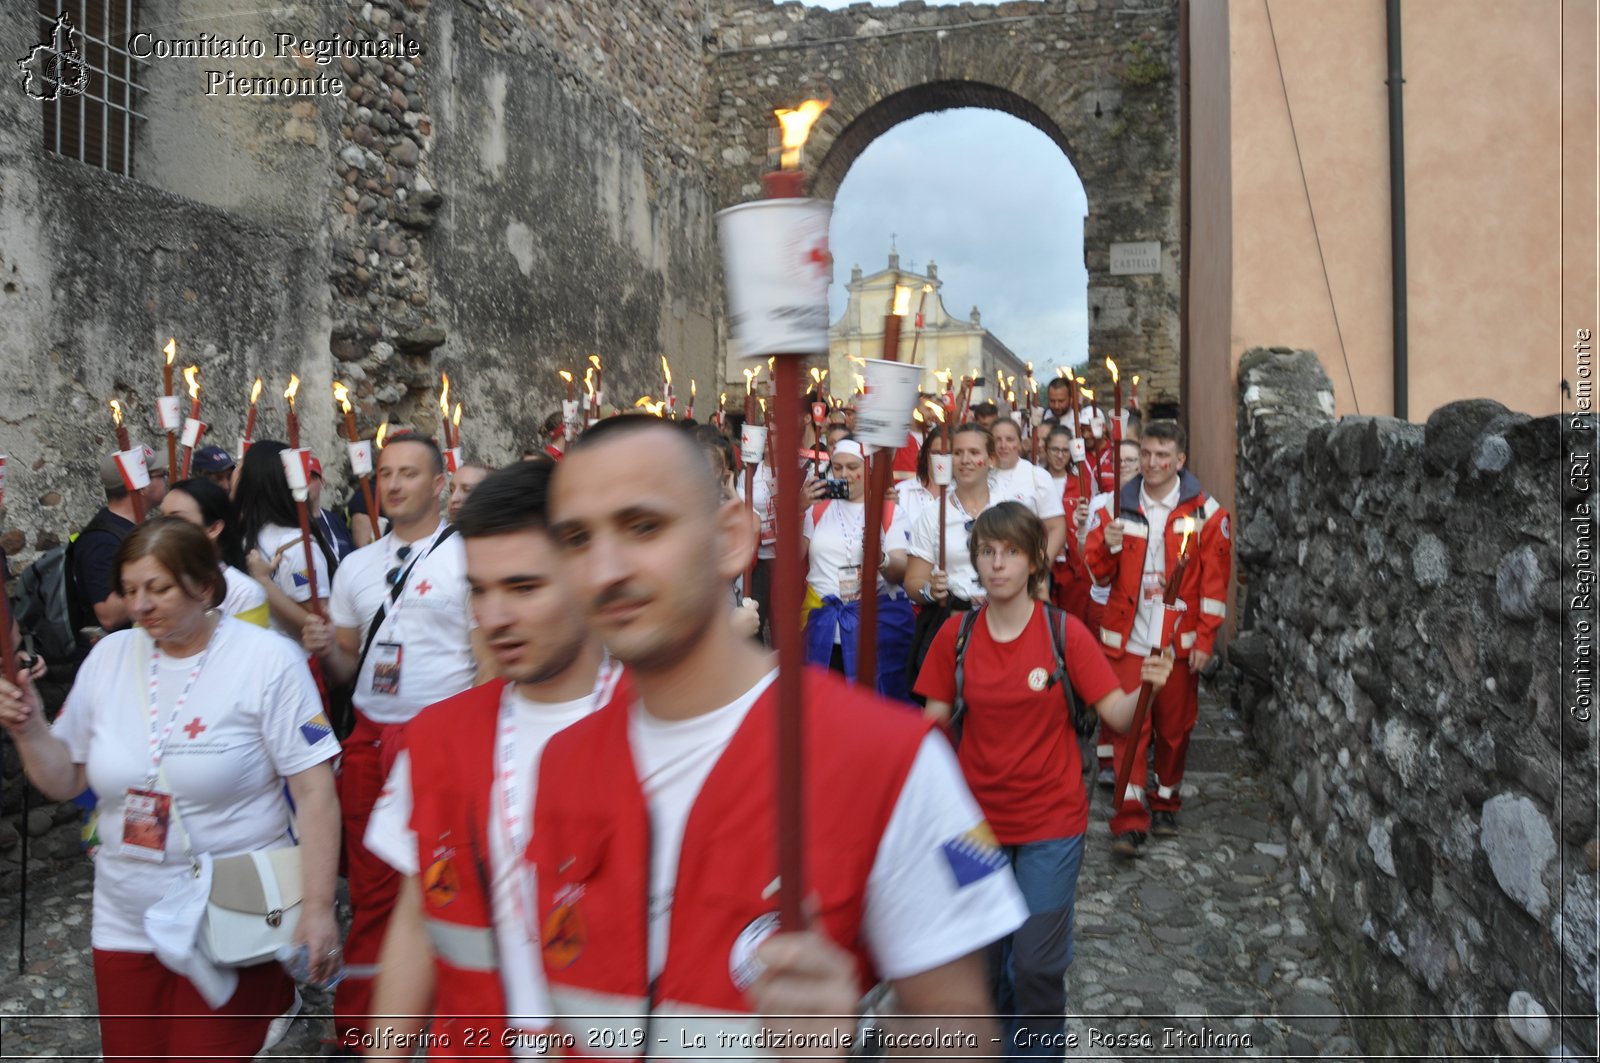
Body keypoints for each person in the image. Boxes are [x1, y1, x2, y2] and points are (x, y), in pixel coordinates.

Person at [532, 416, 1027, 1051]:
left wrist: (860, 1042)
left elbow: (960, 1031)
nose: (606, 568)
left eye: (644, 526)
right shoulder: (562, 763)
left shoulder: (893, 760)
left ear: (732, 537)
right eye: (576, 539)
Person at [0, 518, 340, 1061]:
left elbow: (316, 790)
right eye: (130, 590)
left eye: (157, 589)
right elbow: (66, 780)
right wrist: (29, 728)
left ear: (204, 586)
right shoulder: (109, 659)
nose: (140, 605)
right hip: (126, 913)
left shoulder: (266, 661)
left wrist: (318, 906)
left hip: (235, 909)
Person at [366, 461, 617, 1056]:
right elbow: (412, 917)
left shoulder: (659, 726)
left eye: (524, 587)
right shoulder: (438, 736)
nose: (494, 617)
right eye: (479, 589)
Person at [914, 503, 1173, 1060]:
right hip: (972, 829)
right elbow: (930, 727)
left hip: (1050, 823)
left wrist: (1149, 685)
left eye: (1010, 552)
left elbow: (1119, 716)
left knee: (1034, 963)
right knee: (983, 966)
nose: (997, 564)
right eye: (987, 552)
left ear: (1035, 561)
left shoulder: (1065, 634)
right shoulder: (955, 636)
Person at [299, 432, 478, 1046]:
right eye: (384, 474)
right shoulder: (356, 566)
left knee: (445, 886)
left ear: (437, 485)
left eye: (408, 473)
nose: (394, 484)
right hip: (372, 741)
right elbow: (350, 672)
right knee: (373, 889)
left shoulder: (469, 559)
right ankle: (362, 1027)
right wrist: (328, 654)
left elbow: (486, 666)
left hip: (443, 741)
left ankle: (448, 1017)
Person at [1083, 421, 1232, 853]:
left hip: (1176, 644)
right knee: (1131, 729)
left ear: (1180, 461)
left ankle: (1165, 799)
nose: (1151, 463)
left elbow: (1213, 586)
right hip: (1128, 639)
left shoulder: (1208, 514)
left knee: (1174, 730)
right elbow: (1094, 571)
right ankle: (1129, 819)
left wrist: (1205, 640)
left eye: (1162, 455)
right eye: (1146, 454)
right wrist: (1103, 546)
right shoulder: (1117, 508)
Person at [800, 438, 914, 699]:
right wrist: (798, 509)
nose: (844, 474)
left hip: (873, 631)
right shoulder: (817, 509)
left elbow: (900, 570)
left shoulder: (889, 512)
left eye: (853, 467)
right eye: (838, 468)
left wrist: (880, 558)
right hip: (822, 627)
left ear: (868, 469)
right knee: (822, 705)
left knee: (871, 705)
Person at [903, 424, 999, 692]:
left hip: (1003, 627)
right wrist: (930, 590)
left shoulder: (1010, 508)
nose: (965, 460)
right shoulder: (933, 515)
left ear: (991, 458)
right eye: (957, 452)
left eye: (973, 452)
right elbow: (913, 582)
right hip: (952, 627)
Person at [233, 441, 338, 639]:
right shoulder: (246, 533)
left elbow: (317, 622)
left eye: (242, 468)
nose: (235, 473)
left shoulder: (296, 547)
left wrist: (265, 583)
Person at [1083, 438, 1143, 786]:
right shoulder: (1101, 505)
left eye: (1132, 460)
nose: (1126, 466)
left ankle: (1130, 746)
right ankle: (1107, 755)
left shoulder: (1149, 505)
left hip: (1136, 607)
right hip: (1104, 604)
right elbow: (1088, 559)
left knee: (1132, 680)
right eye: (1120, 461)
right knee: (1107, 679)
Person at [74, 444, 168, 635]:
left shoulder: (132, 528)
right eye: (161, 475)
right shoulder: (100, 541)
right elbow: (109, 615)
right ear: (142, 486)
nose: (166, 480)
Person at [163, 478, 269, 627]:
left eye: (176, 519)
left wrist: (265, 580)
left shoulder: (242, 593)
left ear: (213, 528)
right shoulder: (158, 580)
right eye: (162, 518)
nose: (162, 528)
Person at [987, 419, 1066, 563]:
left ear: (1019, 443)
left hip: (1025, 565)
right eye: (997, 440)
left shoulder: (1036, 476)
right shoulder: (981, 475)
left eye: (1009, 439)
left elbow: (1057, 528)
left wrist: (1042, 566)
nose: (1003, 445)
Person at [893, 425, 946, 534]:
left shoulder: (962, 493)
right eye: (936, 453)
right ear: (926, 454)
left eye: (947, 454)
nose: (941, 460)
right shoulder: (901, 492)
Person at [306, 456, 357, 562]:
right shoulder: (293, 524)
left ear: (322, 483)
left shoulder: (335, 521)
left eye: (312, 478)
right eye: (303, 479)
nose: (307, 485)